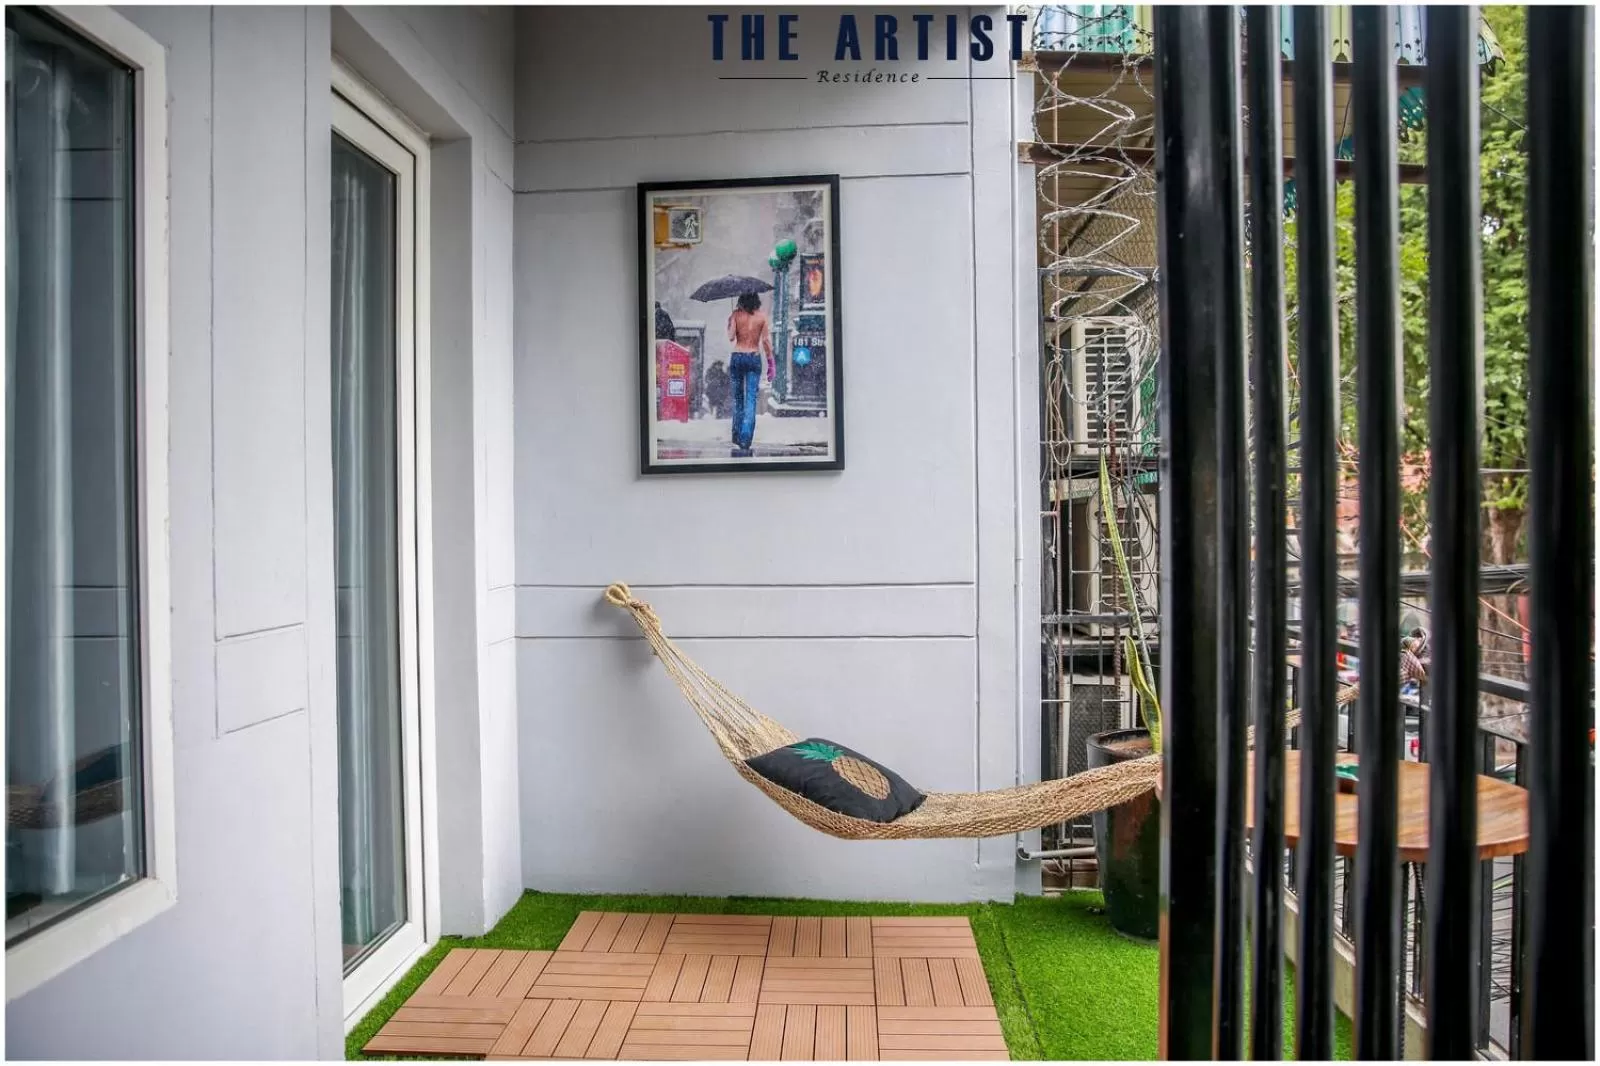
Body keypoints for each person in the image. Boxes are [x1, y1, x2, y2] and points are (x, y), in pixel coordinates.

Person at [726, 292, 772, 457]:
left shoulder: (736, 315)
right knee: (751, 399)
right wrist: (770, 361)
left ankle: (736, 434)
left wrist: (731, 321)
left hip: (738, 356)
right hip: (753, 357)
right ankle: (746, 438)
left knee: (738, 399)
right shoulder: (761, 317)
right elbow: (766, 341)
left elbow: (731, 337)